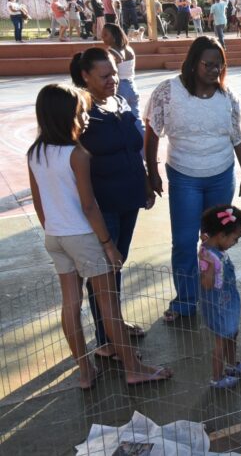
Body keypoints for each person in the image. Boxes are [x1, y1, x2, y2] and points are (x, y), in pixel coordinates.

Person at [28, 84, 171, 388]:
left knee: (70, 305)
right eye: (80, 112)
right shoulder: (77, 154)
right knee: (109, 305)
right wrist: (108, 244)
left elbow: (39, 203)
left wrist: (53, 229)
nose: (85, 118)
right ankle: (133, 368)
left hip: (55, 237)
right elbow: (89, 204)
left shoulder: (35, 152)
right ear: (66, 116)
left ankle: (85, 371)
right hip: (83, 236)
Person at [144, 37, 241, 322]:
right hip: (184, 176)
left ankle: (213, 293)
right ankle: (186, 301)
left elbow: (239, 137)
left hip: (221, 175)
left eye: (219, 65)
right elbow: (152, 131)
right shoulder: (168, 92)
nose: (214, 70)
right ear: (193, 63)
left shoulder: (227, 97)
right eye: (208, 64)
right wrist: (152, 171)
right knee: (183, 241)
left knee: (215, 240)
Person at [69, 47, 152, 359]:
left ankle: (113, 323)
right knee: (104, 269)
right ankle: (106, 338)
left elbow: (133, 148)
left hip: (128, 198)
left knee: (115, 265)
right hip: (103, 204)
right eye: (104, 75)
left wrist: (145, 181)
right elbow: (71, 158)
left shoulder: (118, 101)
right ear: (85, 76)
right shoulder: (80, 110)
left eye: (115, 72)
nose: (113, 79)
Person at [198, 204, 241, 389]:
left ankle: (232, 364)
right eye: (234, 239)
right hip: (218, 304)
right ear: (221, 235)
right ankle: (217, 377)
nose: (235, 243)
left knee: (232, 333)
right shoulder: (207, 256)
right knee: (221, 340)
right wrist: (210, 268)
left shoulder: (216, 249)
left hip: (227, 300)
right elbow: (206, 284)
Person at [101, 24, 146, 139]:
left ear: (114, 36)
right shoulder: (129, 48)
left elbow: (111, 71)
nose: (102, 37)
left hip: (120, 87)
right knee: (137, 120)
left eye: (106, 35)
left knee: (119, 120)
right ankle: (144, 149)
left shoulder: (112, 52)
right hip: (131, 85)